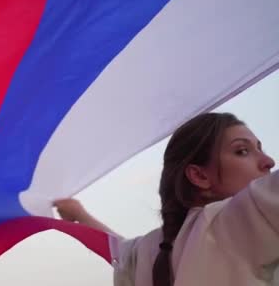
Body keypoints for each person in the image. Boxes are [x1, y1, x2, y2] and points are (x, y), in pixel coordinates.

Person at [54, 112, 278, 286]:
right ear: (199, 176)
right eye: (242, 151)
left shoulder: (151, 249)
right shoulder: (235, 222)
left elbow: (116, 249)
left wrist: (78, 214)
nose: (268, 161)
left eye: (260, 148)